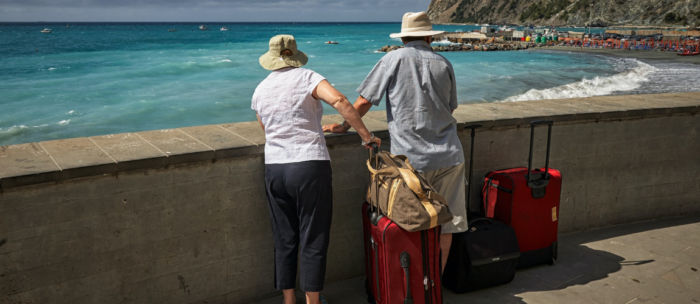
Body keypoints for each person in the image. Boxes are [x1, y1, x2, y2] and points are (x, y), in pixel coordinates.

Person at [323, 12, 466, 272]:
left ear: (403, 38)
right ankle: (434, 287)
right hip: (450, 155)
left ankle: (414, 288)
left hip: (411, 161)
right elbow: (451, 108)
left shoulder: (392, 59)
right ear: (429, 37)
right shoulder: (444, 63)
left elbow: (365, 101)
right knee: (449, 224)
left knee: (412, 222)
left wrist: (344, 126)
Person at [252, 34, 381, 304]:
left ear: (271, 59)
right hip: (308, 165)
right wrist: (366, 137)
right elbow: (342, 102)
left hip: (275, 168)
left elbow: (267, 129)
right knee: (313, 236)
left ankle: (289, 300)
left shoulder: (260, 89)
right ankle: (312, 301)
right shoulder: (308, 77)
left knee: (284, 237)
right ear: (294, 55)